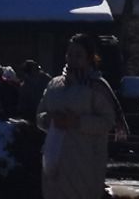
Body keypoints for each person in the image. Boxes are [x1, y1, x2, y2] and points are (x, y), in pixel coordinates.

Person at [37, 34, 118, 199]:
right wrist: (50, 120)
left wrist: (77, 122)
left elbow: (108, 121)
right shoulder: (54, 85)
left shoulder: (96, 86)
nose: (72, 59)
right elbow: (39, 115)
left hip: (84, 159)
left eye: (78, 55)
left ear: (89, 58)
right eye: (69, 54)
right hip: (55, 156)